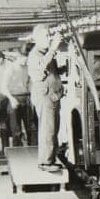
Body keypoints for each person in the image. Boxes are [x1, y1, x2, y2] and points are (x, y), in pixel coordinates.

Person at [28, 25, 64, 171]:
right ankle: (45, 162)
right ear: (36, 38)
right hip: (44, 96)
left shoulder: (46, 53)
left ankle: (51, 159)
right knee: (47, 129)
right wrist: (53, 48)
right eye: (45, 36)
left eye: (49, 36)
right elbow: (39, 72)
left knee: (53, 129)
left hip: (53, 96)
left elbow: (50, 72)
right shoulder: (34, 55)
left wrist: (63, 69)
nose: (48, 39)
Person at [4, 49, 32, 146]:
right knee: (16, 129)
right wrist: (11, 99)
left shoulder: (27, 68)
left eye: (27, 58)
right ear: (18, 57)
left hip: (26, 98)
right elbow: (3, 87)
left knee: (30, 127)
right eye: (23, 58)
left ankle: (32, 150)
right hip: (14, 98)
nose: (25, 60)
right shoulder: (10, 69)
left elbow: (30, 84)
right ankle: (17, 151)